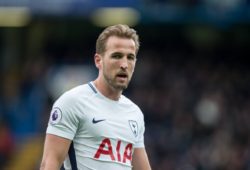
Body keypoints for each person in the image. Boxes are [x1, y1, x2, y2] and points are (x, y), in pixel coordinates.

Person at [40, 24, 151, 170]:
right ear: (98, 60)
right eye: (116, 56)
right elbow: (49, 164)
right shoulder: (73, 102)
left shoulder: (134, 113)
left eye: (130, 57)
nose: (124, 64)